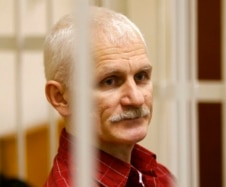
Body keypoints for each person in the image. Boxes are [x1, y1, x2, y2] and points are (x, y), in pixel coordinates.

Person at [43, 6, 176, 187]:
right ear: (61, 97)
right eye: (110, 81)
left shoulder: (159, 175)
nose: (136, 99)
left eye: (141, 76)